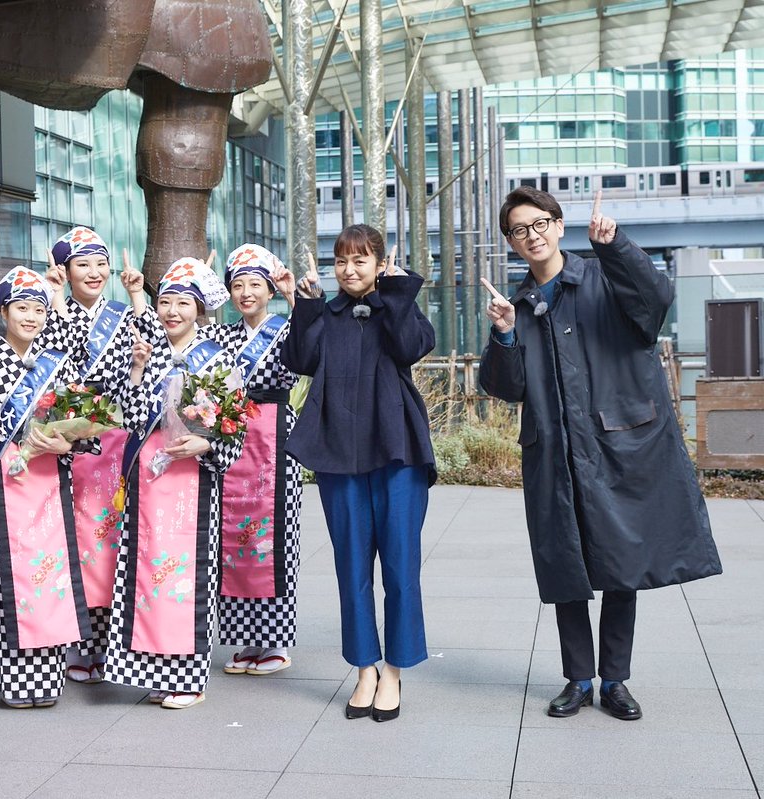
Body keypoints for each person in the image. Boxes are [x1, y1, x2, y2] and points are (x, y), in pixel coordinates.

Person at [479, 187, 722, 721]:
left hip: (616, 447)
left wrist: (616, 247)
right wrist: (502, 336)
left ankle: (615, 680)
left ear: (558, 224)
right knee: (566, 567)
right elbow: (506, 386)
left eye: (539, 223)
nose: (532, 235)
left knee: (620, 566)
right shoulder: (515, 306)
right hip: (555, 455)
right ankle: (577, 679)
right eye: (519, 230)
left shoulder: (603, 276)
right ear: (512, 243)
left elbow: (655, 303)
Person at [281, 226, 436, 722]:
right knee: (351, 569)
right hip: (338, 457)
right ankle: (364, 667)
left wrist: (396, 292)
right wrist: (304, 304)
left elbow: (411, 345)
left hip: (398, 454)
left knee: (400, 568)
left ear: (380, 263)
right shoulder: (325, 316)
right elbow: (299, 360)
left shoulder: (396, 306)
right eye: (341, 261)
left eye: (361, 260)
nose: (349, 270)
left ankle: (394, 669)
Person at [0, 265, 93, 709]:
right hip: (3, 487)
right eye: (21, 308)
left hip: (50, 483)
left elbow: (87, 425)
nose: (30, 316)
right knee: (11, 579)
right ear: (4, 311)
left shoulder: (57, 362)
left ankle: (48, 681)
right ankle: (14, 683)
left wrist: (67, 438)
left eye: (38, 309)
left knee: (52, 578)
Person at [103, 256, 245, 710]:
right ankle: (153, 668)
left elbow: (235, 419)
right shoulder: (150, 349)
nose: (172, 311)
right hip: (149, 472)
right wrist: (138, 369)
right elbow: (128, 411)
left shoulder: (218, 355)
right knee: (146, 564)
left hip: (195, 478)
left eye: (183, 302)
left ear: (199, 309)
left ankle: (189, 676)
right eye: (165, 301)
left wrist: (206, 446)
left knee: (190, 570)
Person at [45, 227, 151, 685]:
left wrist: (138, 297)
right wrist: (49, 301)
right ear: (65, 272)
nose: (93, 272)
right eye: (82, 264)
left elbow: (154, 354)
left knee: (111, 539)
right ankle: (77, 643)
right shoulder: (49, 309)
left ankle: (110, 644)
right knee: (73, 538)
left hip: (114, 431)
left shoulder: (122, 312)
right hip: (69, 436)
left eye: (99, 264)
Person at [207, 244, 303, 676]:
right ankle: (246, 640)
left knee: (275, 535)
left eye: (255, 285)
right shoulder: (223, 335)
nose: (246, 293)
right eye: (238, 286)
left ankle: (277, 642)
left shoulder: (287, 328)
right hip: (231, 434)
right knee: (231, 536)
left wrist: (294, 297)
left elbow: (311, 347)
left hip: (274, 434)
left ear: (269, 289)